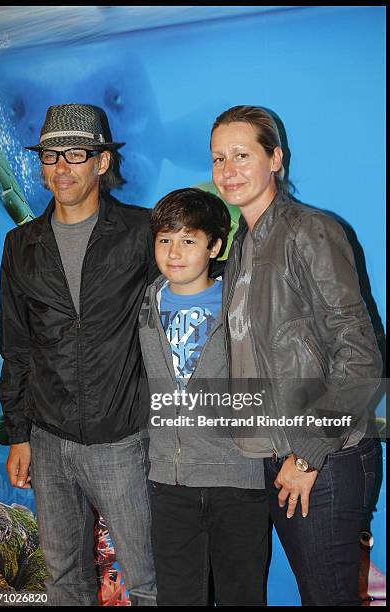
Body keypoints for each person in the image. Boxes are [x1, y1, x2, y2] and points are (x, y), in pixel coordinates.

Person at [210, 105, 382, 606]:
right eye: (219, 159)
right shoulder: (241, 243)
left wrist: (307, 453)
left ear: (276, 158)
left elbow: (360, 358)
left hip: (324, 457)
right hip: (276, 456)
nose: (229, 170)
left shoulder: (309, 231)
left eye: (243, 155)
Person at [0, 104, 157, 606]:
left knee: (151, 579)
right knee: (64, 578)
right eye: (49, 155)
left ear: (101, 162)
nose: (61, 166)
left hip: (123, 440)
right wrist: (19, 434)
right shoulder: (20, 244)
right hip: (47, 439)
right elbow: (17, 346)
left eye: (75, 153)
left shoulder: (142, 233)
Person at [138, 187, 269, 606]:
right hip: (169, 481)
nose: (174, 252)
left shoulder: (242, 302)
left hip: (237, 478)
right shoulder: (145, 301)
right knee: (177, 598)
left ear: (215, 245)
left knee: (241, 595)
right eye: (165, 239)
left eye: (189, 240)